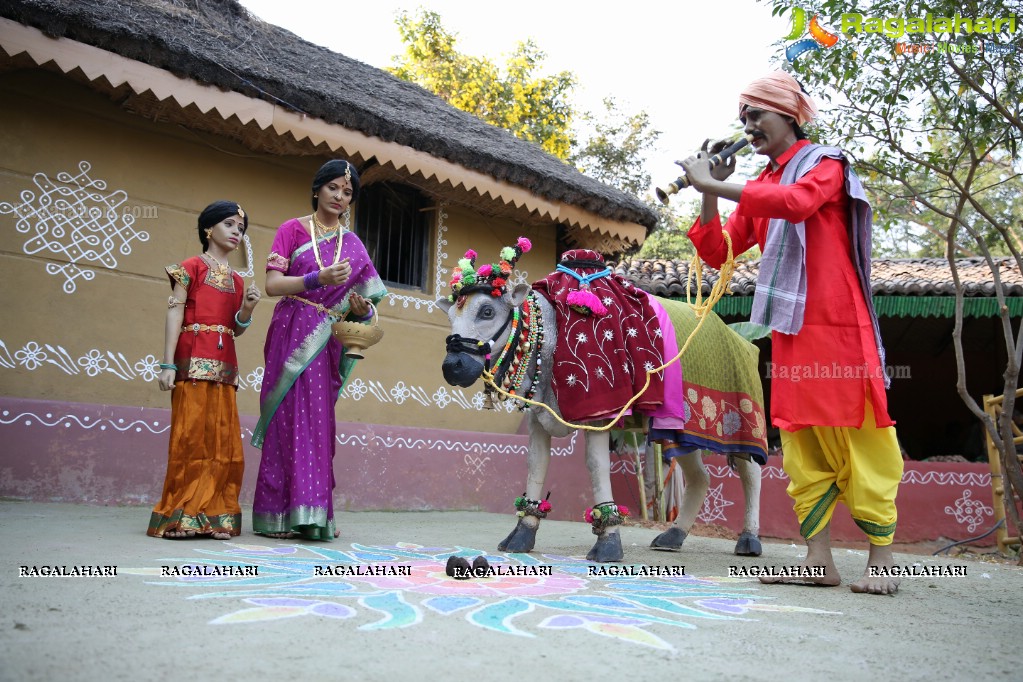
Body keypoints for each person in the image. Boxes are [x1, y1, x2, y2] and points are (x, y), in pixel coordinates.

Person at [679, 70, 904, 595]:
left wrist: (714, 183)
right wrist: (709, 193)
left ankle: (884, 559)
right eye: (743, 118)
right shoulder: (758, 186)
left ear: (789, 115)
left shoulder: (826, 165)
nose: (748, 125)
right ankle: (818, 559)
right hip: (793, 326)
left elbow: (799, 203)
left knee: (862, 431)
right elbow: (718, 253)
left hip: (841, 324)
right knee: (801, 437)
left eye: (756, 115)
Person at [251, 159, 387, 541]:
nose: (339, 197)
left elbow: (367, 301)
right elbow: (272, 286)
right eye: (333, 188)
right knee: (283, 417)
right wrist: (317, 278)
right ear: (316, 189)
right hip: (291, 330)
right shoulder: (291, 230)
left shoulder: (355, 245)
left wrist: (361, 308)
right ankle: (275, 516)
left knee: (316, 422)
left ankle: (313, 516)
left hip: (325, 339)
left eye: (347, 193)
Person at [149, 201, 261, 539]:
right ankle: (181, 515)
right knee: (189, 441)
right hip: (191, 363)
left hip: (226, 369)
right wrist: (167, 363)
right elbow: (174, 313)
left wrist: (248, 308)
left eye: (240, 229)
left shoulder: (240, 282)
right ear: (208, 228)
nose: (236, 233)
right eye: (229, 225)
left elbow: (237, 328)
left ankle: (215, 516)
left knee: (222, 445)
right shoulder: (191, 267)